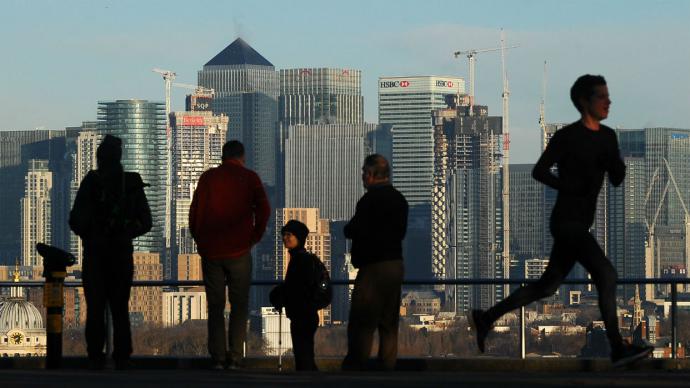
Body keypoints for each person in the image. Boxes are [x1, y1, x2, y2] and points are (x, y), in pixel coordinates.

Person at [472, 75, 653, 367]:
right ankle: (617, 347)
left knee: (546, 287)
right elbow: (539, 171)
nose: (609, 102)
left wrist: (615, 161)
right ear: (584, 101)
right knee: (606, 274)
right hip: (566, 222)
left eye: (608, 96)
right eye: (602, 97)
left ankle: (486, 316)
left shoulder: (607, 136)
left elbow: (618, 179)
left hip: (581, 223)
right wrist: (569, 187)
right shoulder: (567, 137)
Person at [69, 134, 152, 370]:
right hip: (121, 255)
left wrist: (91, 235)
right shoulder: (132, 183)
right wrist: (125, 234)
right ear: (120, 157)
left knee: (95, 309)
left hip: (95, 256)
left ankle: (95, 356)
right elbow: (146, 222)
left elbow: (75, 220)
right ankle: (122, 357)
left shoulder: (90, 182)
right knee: (120, 308)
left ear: (99, 158)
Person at [189, 140, 270, 370]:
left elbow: (194, 212)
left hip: (211, 252)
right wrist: (253, 238)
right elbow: (264, 210)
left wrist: (201, 240)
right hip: (239, 252)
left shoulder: (208, 179)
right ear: (242, 157)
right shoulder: (250, 178)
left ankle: (217, 357)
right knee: (239, 305)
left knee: (215, 306)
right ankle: (235, 356)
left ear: (223, 157)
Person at [341, 154, 408, 371]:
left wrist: (350, 230)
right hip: (394, 265)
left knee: (362, 321)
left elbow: (353, 229)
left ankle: (355, 366)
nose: (362, 176)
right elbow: (401, 232)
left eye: (363, 172)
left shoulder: (369, 200)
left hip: (372, 267)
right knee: (389, 323)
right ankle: (387, 365)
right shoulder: (399, 199)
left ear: (370, 175)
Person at [270, 220, 320, 371]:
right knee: (305, 353)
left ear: (299, 238)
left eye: (289, 235)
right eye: (283, 235)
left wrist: (281, 294)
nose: (285, 238)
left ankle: (307, 379)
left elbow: (297, 288)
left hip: (302, 314)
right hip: (307, 313)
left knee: (303, 354)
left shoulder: (300, 260)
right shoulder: (302, 258)